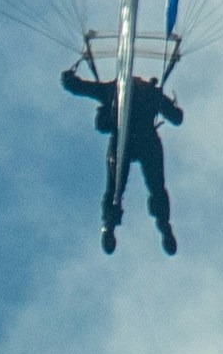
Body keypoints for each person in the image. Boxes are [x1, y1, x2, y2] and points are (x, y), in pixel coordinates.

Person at [62, 57, 186, 254]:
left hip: (132, 142)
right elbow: (176, 118)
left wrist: (68, 78)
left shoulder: (113, 90)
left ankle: (113, 224)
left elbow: (76, 86)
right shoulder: (147, 92)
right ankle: (160, 225)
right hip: (140, 142)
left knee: (118, 188)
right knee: (150, 188)